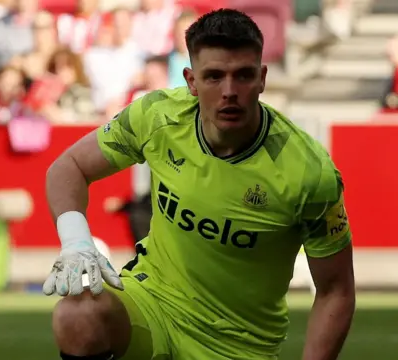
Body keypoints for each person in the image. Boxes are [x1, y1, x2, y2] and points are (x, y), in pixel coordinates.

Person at [42, 9, 356, 360]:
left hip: (239, 344)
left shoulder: (309, 172)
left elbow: (336, 290)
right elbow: (67, 166)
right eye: (214, 77)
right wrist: (75, 241)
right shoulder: (158, 116)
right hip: (152, 303)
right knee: (76, 315)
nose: (229, 91)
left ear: (263, 78)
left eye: (243, 76)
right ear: (191, 81)